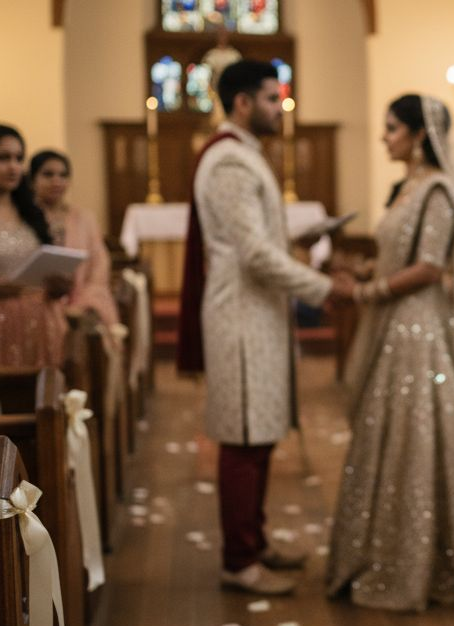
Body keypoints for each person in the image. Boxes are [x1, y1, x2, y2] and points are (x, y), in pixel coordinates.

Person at [324, 94, 454, 612]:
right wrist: (362, 271)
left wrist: (364, 292)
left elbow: (429, 267)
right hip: (395, 323)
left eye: (391, 128)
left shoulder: (437, 190)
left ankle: (430, 556)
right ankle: (380, 548)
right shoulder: (408, 187)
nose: (384, 137)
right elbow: (397, 256)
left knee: (419, 433)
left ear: (416, 134)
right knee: (387, 434)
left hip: (417, 327)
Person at [177, 59, 354, 596]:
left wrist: (302, 235)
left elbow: (250, 240)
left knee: (259, 438)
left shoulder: (242, 156)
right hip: (241, 316)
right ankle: (239, 561)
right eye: (272, 98)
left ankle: (254, 543)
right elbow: (253, 255)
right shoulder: (230, 162)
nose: (280, 108)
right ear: (241, 103)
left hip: (257, 312)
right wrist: (326, 290)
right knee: (243, 439)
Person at [0, 124, 67, 369]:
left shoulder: (30, 212)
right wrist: (0, 285)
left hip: (42, 317)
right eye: (2, 158)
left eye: (19, 158)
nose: (13, 167)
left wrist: (58, 285)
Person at [30, 150, 122, 328]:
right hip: (38, 305)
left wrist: (82, 304)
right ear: (32, 179)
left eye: (63, 175)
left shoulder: (84, 218)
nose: (56, 181)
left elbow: (99, 264)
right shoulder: (26, 218)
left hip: (81, 302)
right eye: (48, 174)